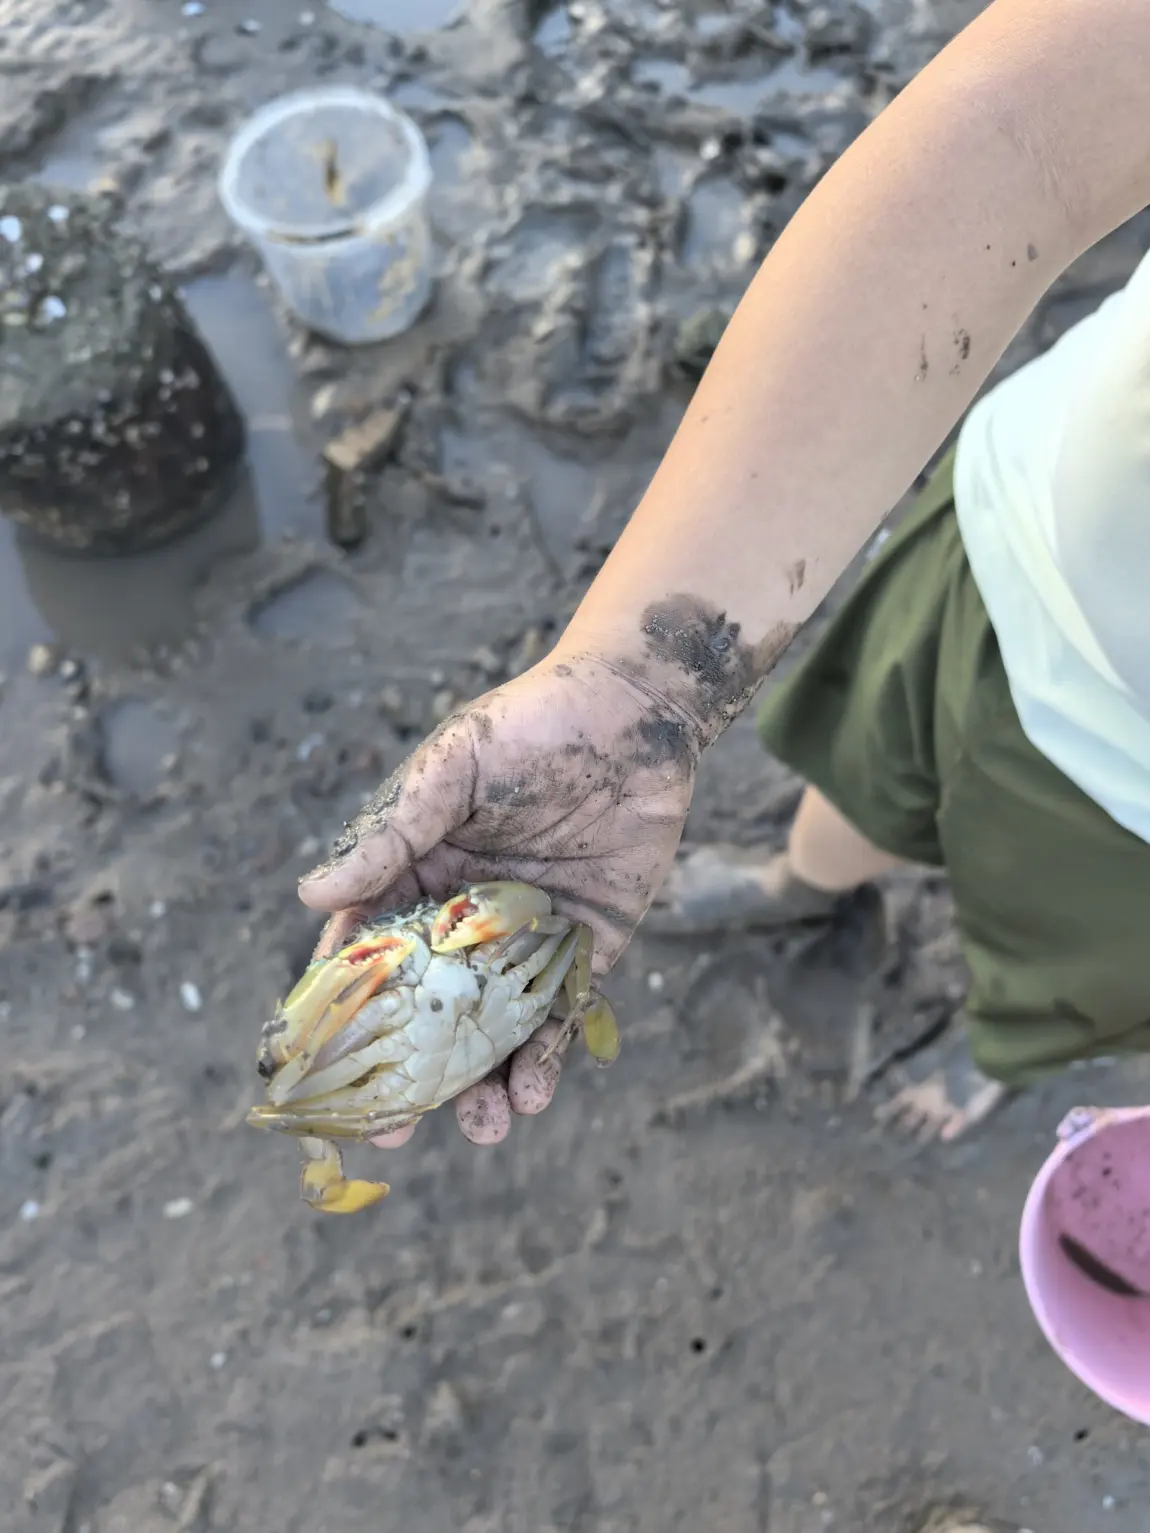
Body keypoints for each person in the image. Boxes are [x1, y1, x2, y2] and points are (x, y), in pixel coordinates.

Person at [299, 0, 1150, 1165]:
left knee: (1069, 967)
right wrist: (641, 686)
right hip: (1016, 542)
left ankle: (998, 1049)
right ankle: (804, 879)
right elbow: (1023, 138)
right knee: (863, 775)